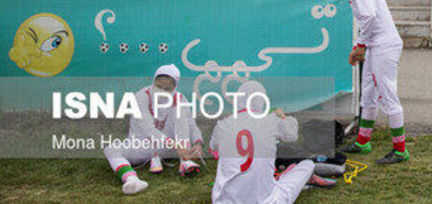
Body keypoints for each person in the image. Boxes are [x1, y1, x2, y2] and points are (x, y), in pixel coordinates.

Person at [327, 0, 408, 164]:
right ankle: (363, 141)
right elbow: (366, 21)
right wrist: (358, 47)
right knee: (369, 94)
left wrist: (360, 46)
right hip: (376, 46)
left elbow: (369, 17)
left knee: (387, 95)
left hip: (383, 46)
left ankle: (400, 150)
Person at [210, 80, 319, 204]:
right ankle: (281, 178)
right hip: (266, 201)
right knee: (308, 164)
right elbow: (292, 135)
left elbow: (213, 147)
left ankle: (275, 179)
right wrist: (283, 117)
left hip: (223, 201)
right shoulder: (270, 121)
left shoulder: (223, 124)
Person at [103, 64, 203, 195]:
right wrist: (175, 145)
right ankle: (131, 179)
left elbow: (190, 123)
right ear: (153, 82)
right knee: (110, 149)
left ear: (174, 87)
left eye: (167, 88)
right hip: (143, 146)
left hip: (172, 149)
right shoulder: (140, 96)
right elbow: (147, 129)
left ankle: (185, 162)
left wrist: (198, 143)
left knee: (180, 109)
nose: (162, 91)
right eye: (159, 86)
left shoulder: (179, 97)